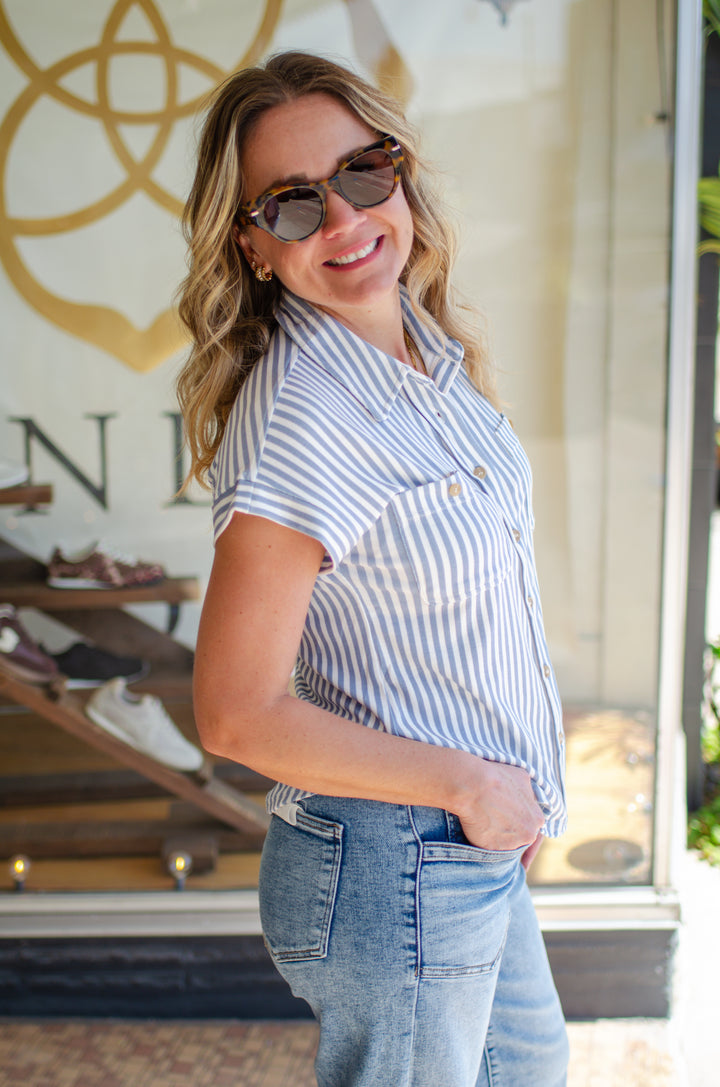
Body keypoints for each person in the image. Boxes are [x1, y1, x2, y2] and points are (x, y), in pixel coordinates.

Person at [177, 50, 569, 1087]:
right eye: (294, 205)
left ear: (400, 172)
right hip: (400, 858)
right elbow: (236, 715)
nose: (346, 221)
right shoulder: (307, 413)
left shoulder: (426, 358)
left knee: (528, 1067)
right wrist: (472, 782)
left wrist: (499, 790)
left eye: (363, 172)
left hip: (459, 843)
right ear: (254, 246)